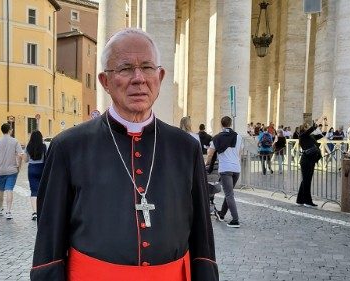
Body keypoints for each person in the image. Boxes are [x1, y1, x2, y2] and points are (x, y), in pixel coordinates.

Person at [31, 28, 218, 281]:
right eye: (125, 68)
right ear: (105, 81)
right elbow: (49, 244)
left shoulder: (186, 147)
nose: (139, 78)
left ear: (160, 77)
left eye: (148, 68)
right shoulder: (68, 147)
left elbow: (202, 238)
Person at [205, 116, 243, 228]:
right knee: (229, 193)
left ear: (221, 124)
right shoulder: (238, 137)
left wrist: (206, 163)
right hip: (236, 168)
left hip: (226, 168)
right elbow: (240, 152)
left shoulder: (216, 138)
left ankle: (235, 220)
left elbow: (210, 154)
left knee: (229, 194)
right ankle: (222, 214)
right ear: (230, 124)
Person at [0, 123, 23, 220]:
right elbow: (20, 155)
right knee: (9, 189)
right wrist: (18, 165)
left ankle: (0, 208)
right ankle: (9, 211)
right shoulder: (15, 141)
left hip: (0, 171)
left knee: (1, 190)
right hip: (12, 170)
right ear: (10, 130)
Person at [296, 117, 327, 207]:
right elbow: (310, 130)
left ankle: (300, 200)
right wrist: (316, 123)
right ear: (304, 128)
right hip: (306, 161)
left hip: (311, 160)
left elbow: (323, 134)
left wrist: (325, 124)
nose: (308, 127)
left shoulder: (311, 137)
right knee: (307, 181)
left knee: (306, 180)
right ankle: (307, 201)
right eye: (307, 126)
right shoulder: (302, 136)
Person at [24, 130, 47, 221]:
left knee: (34, 191)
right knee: (43, 190)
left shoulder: (28, 147)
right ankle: (42, 210)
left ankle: (35, 212)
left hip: (32, 168)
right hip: (42, 168)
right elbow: (47, 158)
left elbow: (25, 160)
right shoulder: (44, 146)